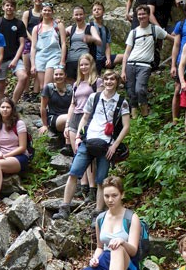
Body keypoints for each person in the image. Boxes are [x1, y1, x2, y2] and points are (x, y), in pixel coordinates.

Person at [53, 71, 130, 220]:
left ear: (117, 82)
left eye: (112, 79)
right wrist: (79, 137)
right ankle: (64, 208)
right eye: (106, 79)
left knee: (101, 180)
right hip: (88, 141)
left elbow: (126, 126)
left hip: (106, 145)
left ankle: (98, 213)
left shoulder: (122, 102)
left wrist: (115, 146)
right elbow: (85, 117)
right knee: (74, 173)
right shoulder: (94, 97)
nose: (108, 82)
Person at [121, 5, 173, 118]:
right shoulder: (133, 32)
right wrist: (123, 71)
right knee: (131, 92)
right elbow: (126, 53)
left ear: (149, 15)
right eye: (139, 14)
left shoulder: (155, 29)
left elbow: (171, 39)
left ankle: (145, 115)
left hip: (145, 65)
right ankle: (134, 119)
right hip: (130, 64)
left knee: (140, 89)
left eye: (144, 14)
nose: (141, 16)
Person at [65, 53, 102, 200]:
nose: (83, 67)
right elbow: (72, 104)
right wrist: (67, 124)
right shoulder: (76, 84)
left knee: (88, 154)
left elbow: (100, 102)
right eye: (81, 65)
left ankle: (93, 188)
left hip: (89, 119)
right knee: (77, 153)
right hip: (76, 118)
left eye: (86, 64)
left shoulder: (97, 82)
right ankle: (83, 186)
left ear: (91, 65)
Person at [0, 0, 28, 103]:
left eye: (12, 6)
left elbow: (22, 44)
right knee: (0, 84)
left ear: (15, 8)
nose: (9, 8)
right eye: (7, 5)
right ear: (3, 7)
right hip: (0, 59)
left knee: (23, 76)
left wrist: (15, 59)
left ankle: (13, 103)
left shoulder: (19, 24)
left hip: (15, 57)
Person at [30, 2, 67, 97]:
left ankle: (49, 108)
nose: (47, 12)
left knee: (47, 85)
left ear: (52, 12)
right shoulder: (36, 28)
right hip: (40, 56)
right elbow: (33, 47)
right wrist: (33, 64)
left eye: (49, 10)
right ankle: (45, 106)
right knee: (42, 86)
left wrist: (62, 60)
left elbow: (63, 43)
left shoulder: (58, 25)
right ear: (41, 12)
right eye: (45, 10)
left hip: (54, 55)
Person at [147, 0, 182, 69]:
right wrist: (158, 27)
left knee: (180, 32)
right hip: (154, 26)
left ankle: (178, 59)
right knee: (155, 46)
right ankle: (153, 66)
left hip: (166, 26)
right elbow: (150, 14)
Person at [64, 5, 101, 84]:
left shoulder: (90, 28)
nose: (78, 17)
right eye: (76, 15)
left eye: (81, 14)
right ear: (73, 16)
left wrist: (91, 38)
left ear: (84, 15)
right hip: (71, 60)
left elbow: (99, 41)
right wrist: (57, 24)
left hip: (84, 60)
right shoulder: (71, 28)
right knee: (71, 83)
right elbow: (57, 35)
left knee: (85, 82)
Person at [21, 0, 45, 97]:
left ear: (43, 0)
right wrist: (32, 39)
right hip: (27, 43)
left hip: (40, 44)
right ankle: (26, 93)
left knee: (37, 69)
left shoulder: (44, 13)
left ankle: (35, 93)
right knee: (26, 69)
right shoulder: (27, 13)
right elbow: (23, 29)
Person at [39, 66, 72, 137]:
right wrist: (44, 125)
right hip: (54, 118)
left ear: (65, 75)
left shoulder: (71, 89)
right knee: (69, 118)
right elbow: (43, 107)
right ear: (53, 76)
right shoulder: (49, 88)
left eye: (61, 74)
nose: (58, 76)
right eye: (56, 74)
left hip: (68, 117)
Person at [90, 1, 122, 74]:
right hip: (93, 59)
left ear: (103, 11)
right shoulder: (89, 26)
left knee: (123, 57)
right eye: (94, 10)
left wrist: (108, 59)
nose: (97, 11)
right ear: (92, 13)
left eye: (99, 9)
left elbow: (107, 46)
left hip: (104, 57)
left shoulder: (106, 29)